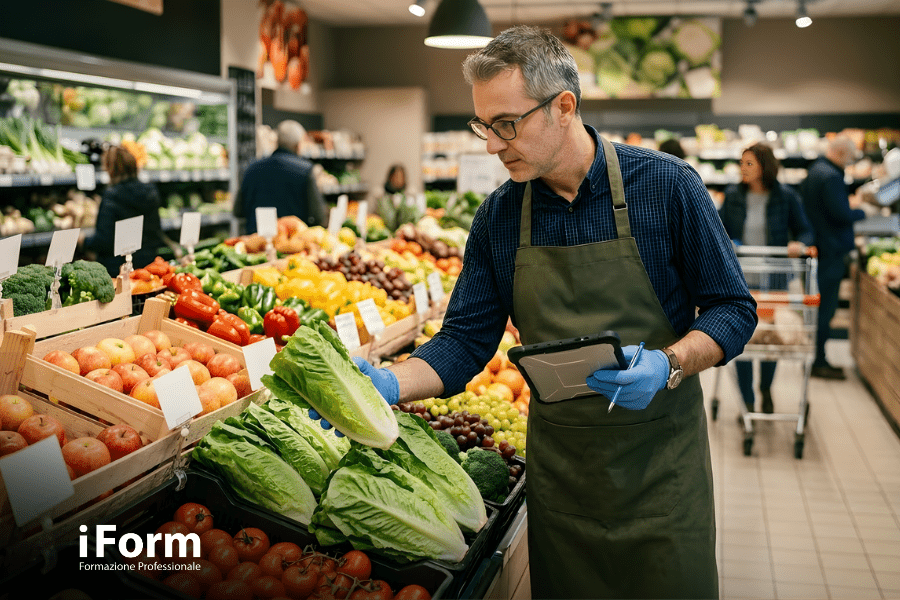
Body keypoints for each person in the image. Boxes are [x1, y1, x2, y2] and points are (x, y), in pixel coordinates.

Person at [329, 26, 756, 599]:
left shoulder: (668, 187)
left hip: (662, 478)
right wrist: (385, 382)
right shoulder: (499, 219)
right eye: (484, 127)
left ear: (564, 106)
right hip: (563, 483)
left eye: (507, 124)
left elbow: (733, 309)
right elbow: (463, 343)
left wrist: (669, 363)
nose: (492, 145)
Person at [719, 143, 814, 413]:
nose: (743, 168)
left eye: (749, 163)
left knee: (770, 339)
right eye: (742, 163)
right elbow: (717, 227)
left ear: (764, 166)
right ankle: (748, 400)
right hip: (741, 281)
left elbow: (806, 231)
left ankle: (765, 389)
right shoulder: (733, 196)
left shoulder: (786, 197)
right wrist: (727, 240)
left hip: (773, 281)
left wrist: (799, 244)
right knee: (742, 340)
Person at [800, 135, 866, 380]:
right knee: (825, 309)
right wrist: (863, 211)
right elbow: (841, 214)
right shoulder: (831, 176)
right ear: (840, 153)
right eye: (850, 157)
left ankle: (815, 357)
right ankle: (819, 361)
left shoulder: (815, 170)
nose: (850, 162)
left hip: (818, 250)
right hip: (829, 252)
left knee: (817, 309)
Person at [85, 144, 175, 277]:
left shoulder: (112, 196)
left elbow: (104, 240)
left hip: (118, 270)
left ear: (111, 169)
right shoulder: (150, 192)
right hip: (148, 265)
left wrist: (83, 241)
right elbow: (155, 230)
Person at [236, 120, 328, 234]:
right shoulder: (305, 170)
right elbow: (318, 215)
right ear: (298, 145)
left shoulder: (252, 168)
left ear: (277, 142)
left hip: (255, 243)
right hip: (291, 245)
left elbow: (238, 211)